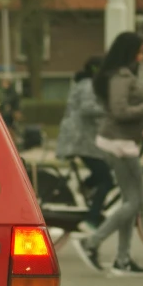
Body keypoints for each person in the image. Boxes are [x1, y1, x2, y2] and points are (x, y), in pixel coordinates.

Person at [72, 32, 143, 275]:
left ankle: (123, 259)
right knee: (135, 200)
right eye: (140, 50)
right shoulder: (120, 77)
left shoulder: (123, 75)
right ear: (129, 51)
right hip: (119, 143)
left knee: (131, 201)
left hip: (124, 141)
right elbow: (119, 111)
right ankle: (92, 241)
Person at [56, 55, 113, 232]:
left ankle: (86, 186)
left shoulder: (83, 83)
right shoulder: (89, 85)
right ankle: (91, 220)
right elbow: (87, 108)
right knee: (106, 179)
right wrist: (111, 110)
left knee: (105, 169)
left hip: (81, 139)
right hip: (80, 140)